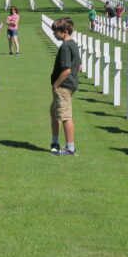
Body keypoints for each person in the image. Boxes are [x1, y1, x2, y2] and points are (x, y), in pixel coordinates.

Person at [49, 18, 81, 156]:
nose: (54, 34)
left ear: (65, 32)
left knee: (65, 116)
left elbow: (67, 70)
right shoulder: (73, 44)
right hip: (68, 85)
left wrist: (56, 85)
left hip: (63, 86)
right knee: (55, 113)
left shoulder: (65, 47)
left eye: (56, 32)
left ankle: (70, 148)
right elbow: (79, 66)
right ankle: (55, 142)